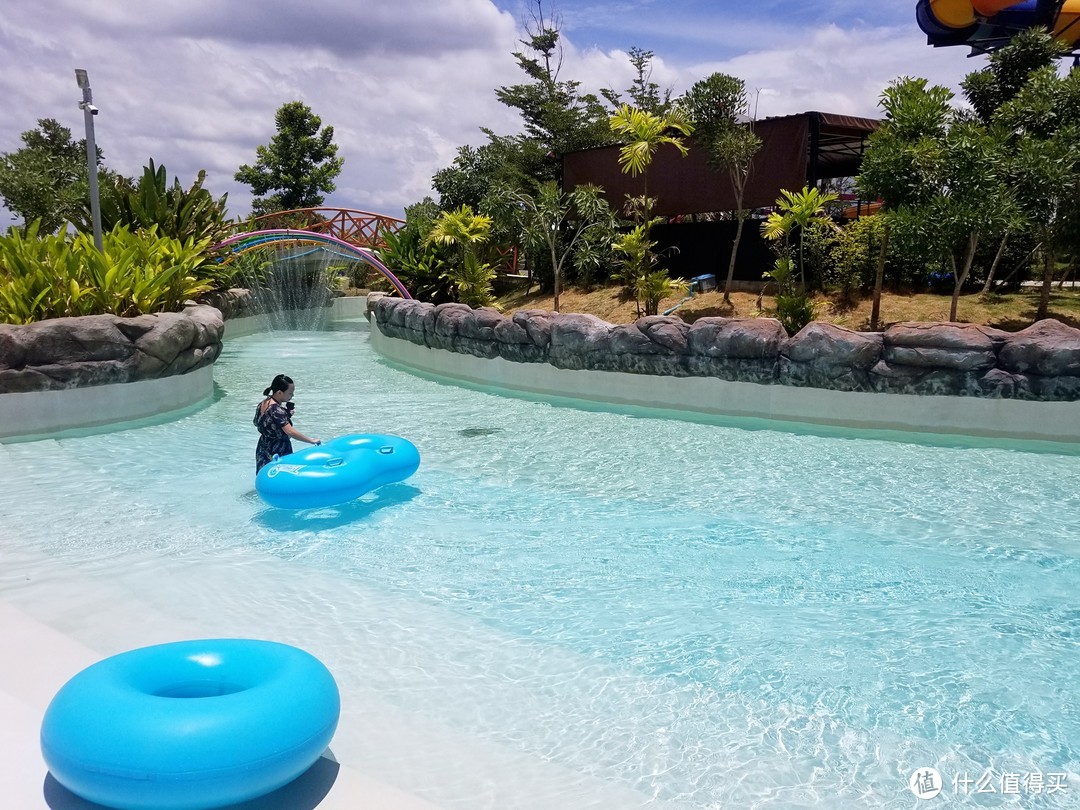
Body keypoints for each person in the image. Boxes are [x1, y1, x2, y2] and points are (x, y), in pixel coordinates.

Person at [254, 374, 322, 473]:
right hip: (278, 449)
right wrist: (311, 440)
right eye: (290, 393)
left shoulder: (263, 404)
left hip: (263, 447)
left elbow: (258, 423)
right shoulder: (276, 410)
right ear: (280, 393)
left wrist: (285, 416)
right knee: (282, 479)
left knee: (264, 478)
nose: (292, 395)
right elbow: (290, 432)